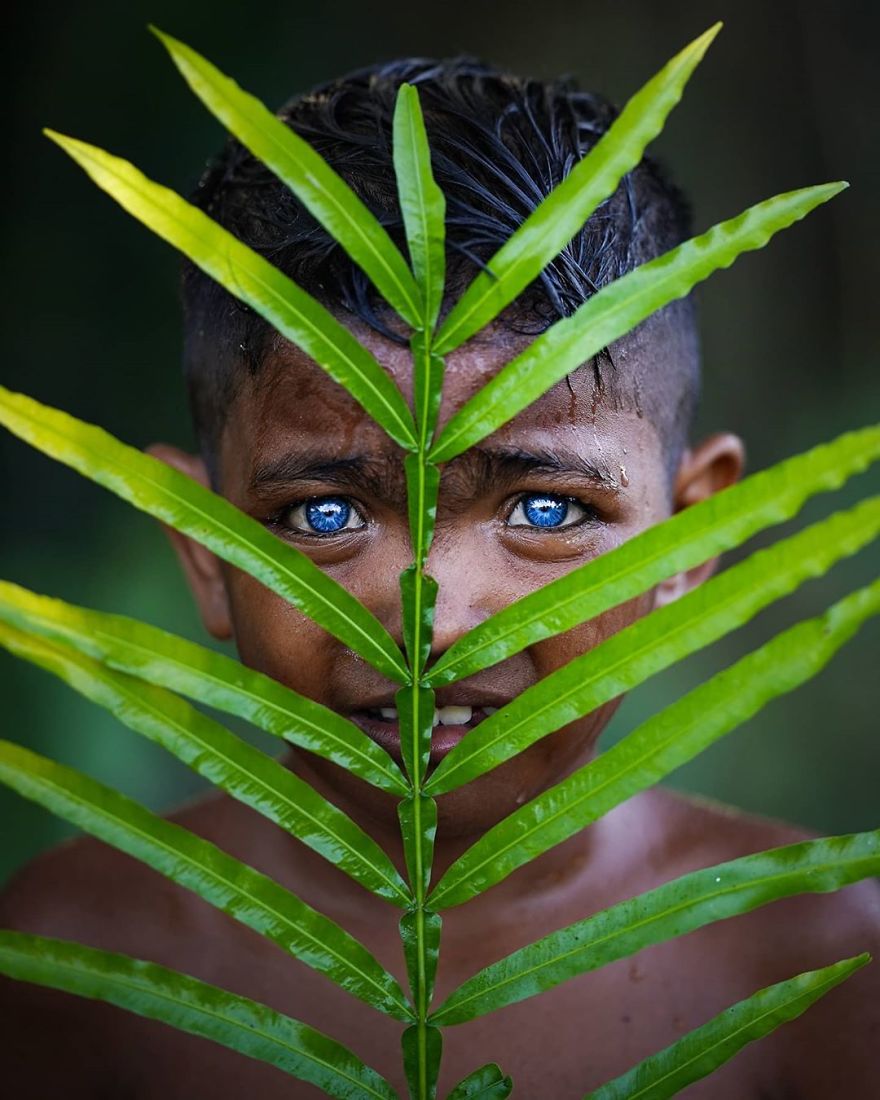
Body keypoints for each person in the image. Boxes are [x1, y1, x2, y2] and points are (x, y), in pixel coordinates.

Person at [1, 57, 877, 1098]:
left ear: (691, 538)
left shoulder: (823, 959)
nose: (432, 619)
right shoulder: (75, 957)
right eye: (322, 514)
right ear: (202, 545)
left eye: (545, 509)